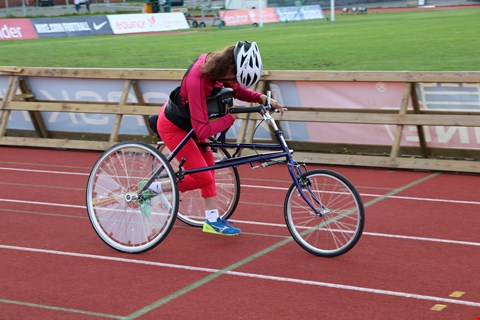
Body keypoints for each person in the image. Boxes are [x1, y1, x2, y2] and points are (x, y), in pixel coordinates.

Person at [143, 41, 284, 236]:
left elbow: (235, 89)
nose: (235, 82)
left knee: (210, 166)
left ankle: (211, 219)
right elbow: (202, 131)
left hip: (190, 124)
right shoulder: (198, 80)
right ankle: (154, 188)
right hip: (174, 127)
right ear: (230, 67)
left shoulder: (218, 68)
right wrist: (228, 119)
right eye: (235, 77)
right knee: (202, 176)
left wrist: (261, 98)